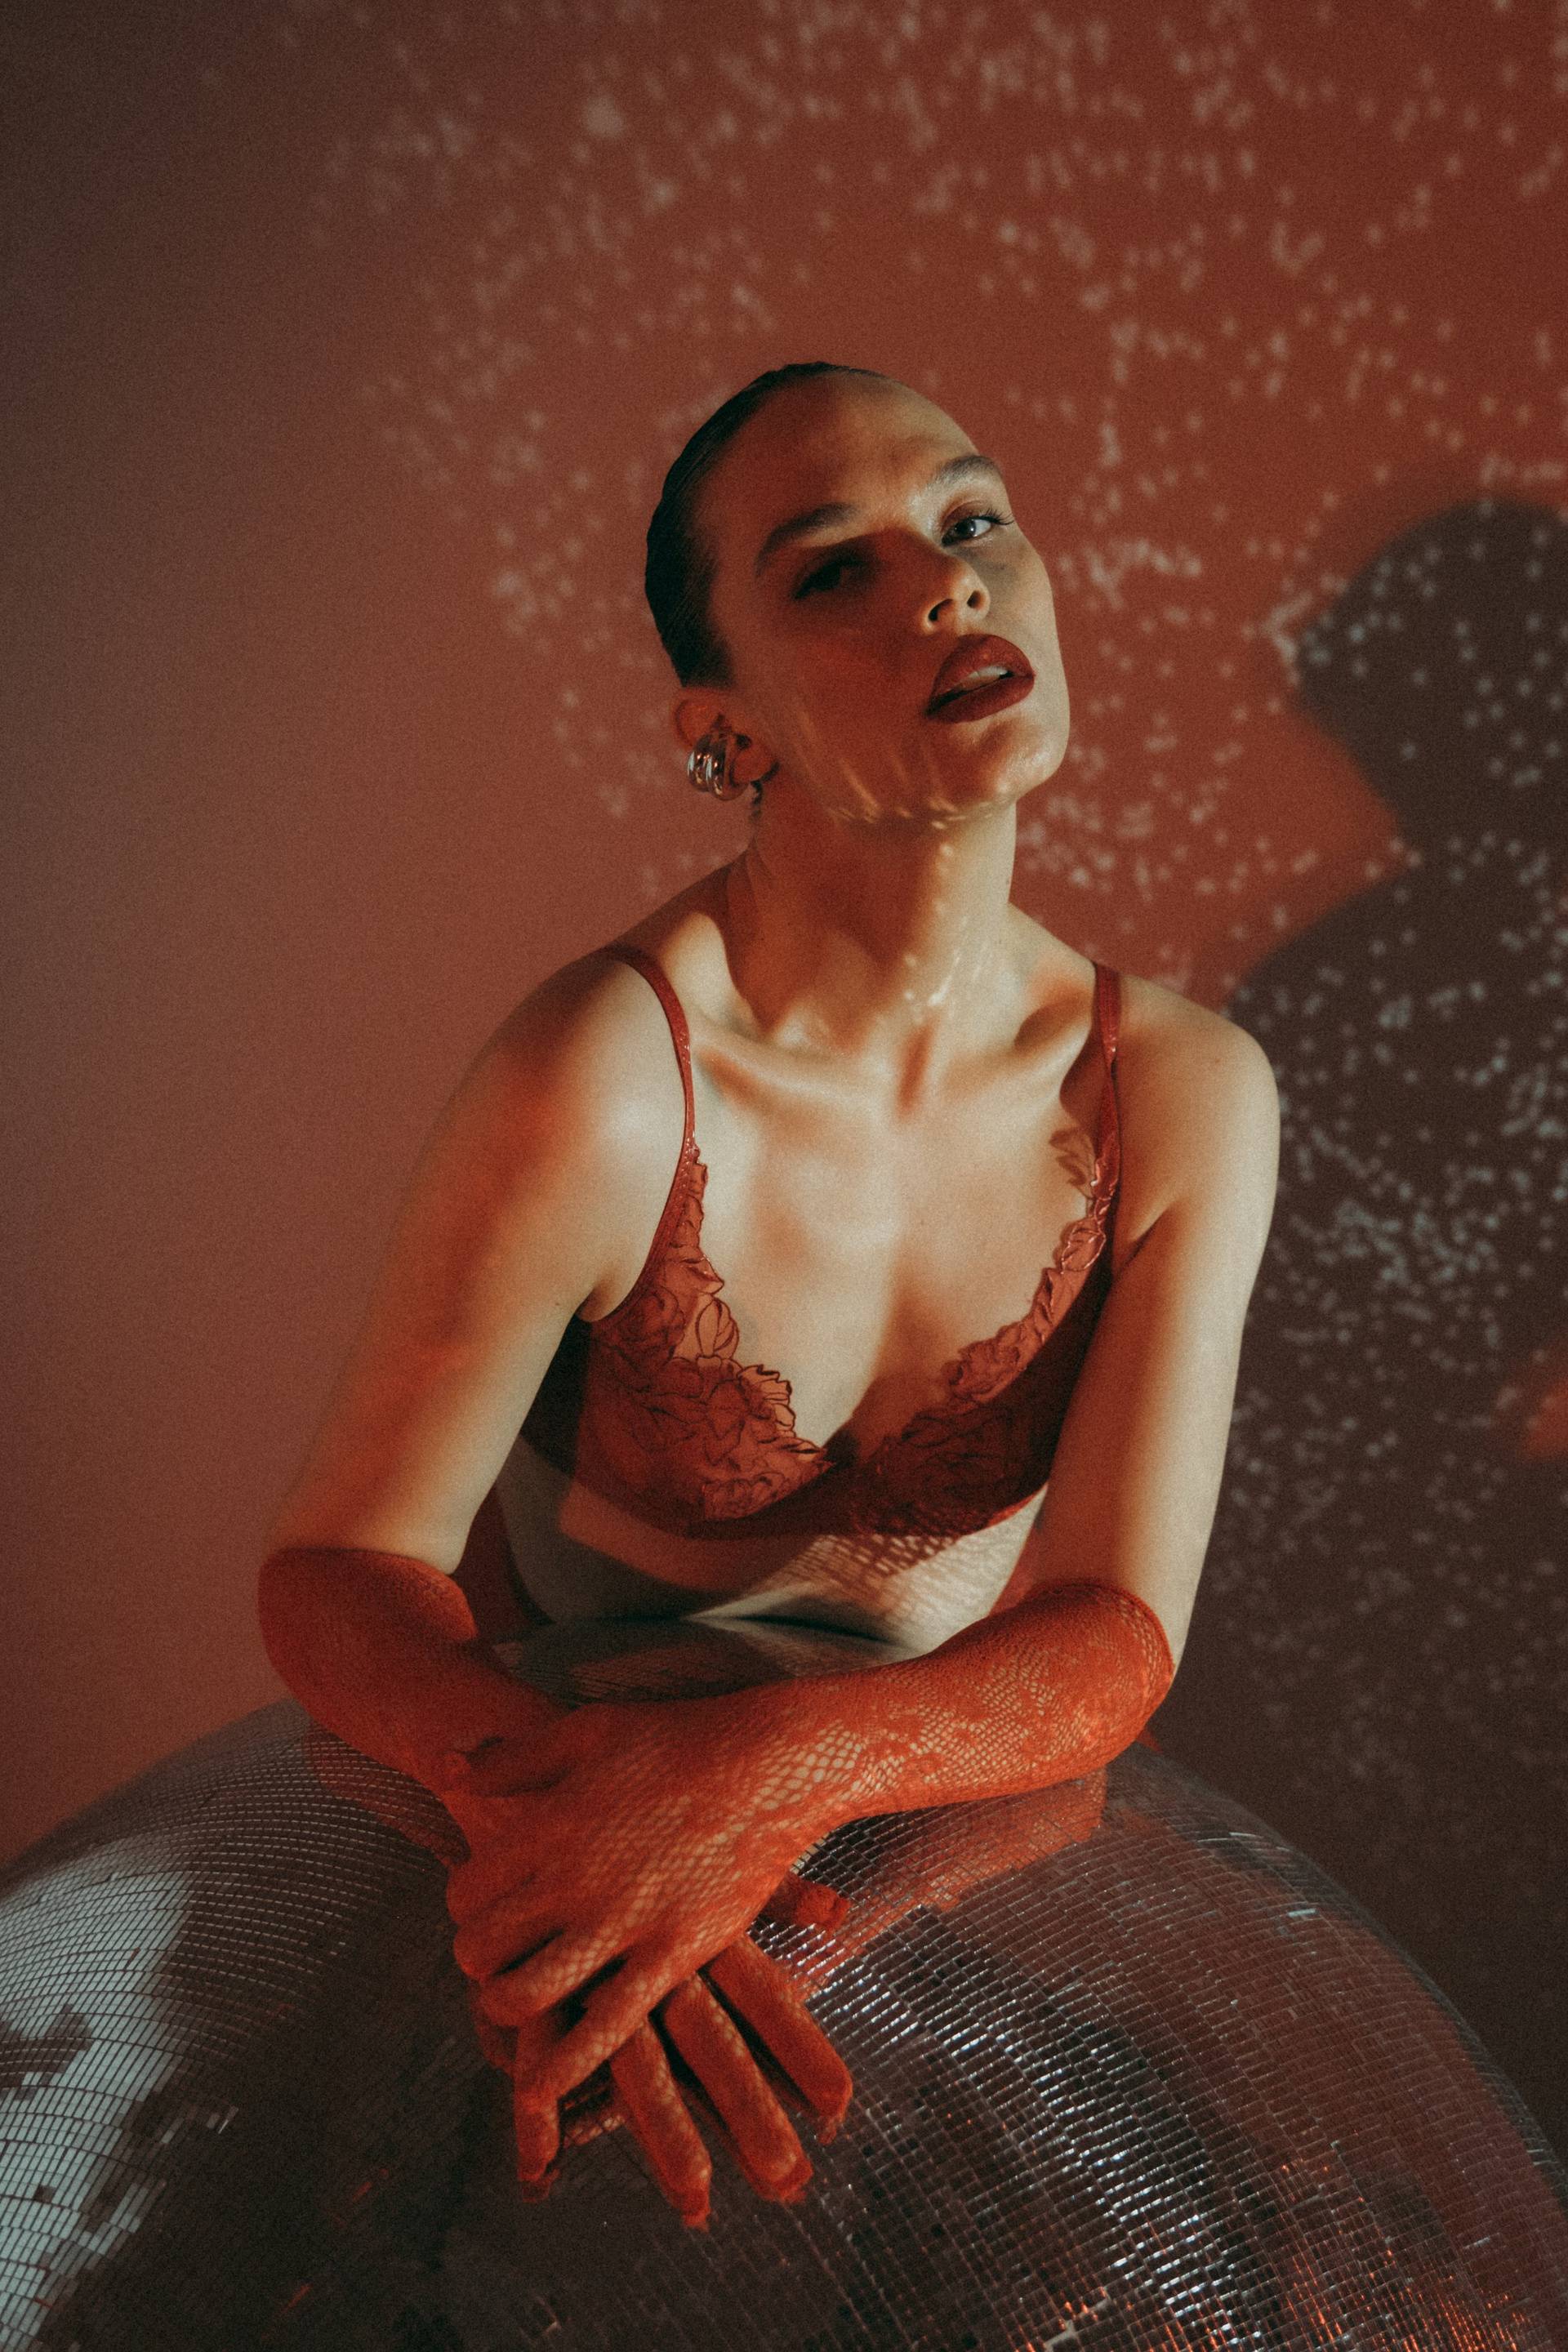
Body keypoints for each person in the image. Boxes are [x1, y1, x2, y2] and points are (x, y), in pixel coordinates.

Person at [257, 360, 1279, 2222]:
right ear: (722, 729)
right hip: (546, 1885)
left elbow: (1118, 1629)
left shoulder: (1187, 1093)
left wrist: (746, 1784)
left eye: (973, 521)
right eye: (833, 570)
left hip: (933, 1889)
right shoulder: (609, 1076)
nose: (947, 584)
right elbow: (337, 1574)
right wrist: (574, 1824)